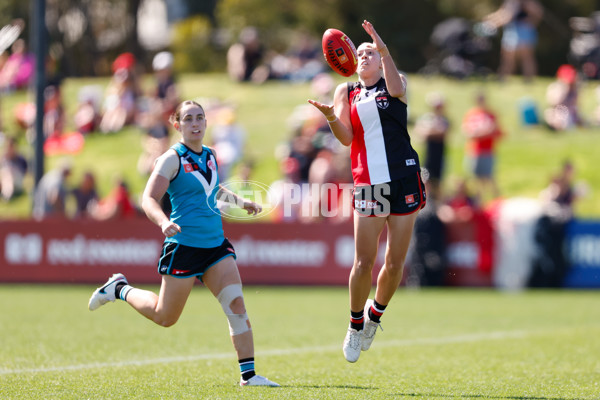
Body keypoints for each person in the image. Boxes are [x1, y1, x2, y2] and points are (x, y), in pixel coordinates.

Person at [87, 100, 279, 387]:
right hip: (184, 246)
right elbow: (148, 198)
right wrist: (164, 222)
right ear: (176, 125)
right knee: (165, 317)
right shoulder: (171, 158)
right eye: (188, 119)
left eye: (200, 117)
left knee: (237, 305)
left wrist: (241, 202)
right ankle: (120, 288)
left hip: (215, 245)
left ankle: (249, 376)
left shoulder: (212, 155)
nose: (196, 123)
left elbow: (214, 191)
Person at [308, 20, 426, 363]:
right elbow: (346, 138)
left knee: (394, 263)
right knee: (363, 263)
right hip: (368, 183)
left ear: (381, 58)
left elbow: (397, 87)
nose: (363, 55)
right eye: (359, 52)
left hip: (404, 179)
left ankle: (375, 316)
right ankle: (355, 322)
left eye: (369, 52)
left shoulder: (395, 83)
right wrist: (331, 117)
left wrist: (382, 45)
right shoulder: (346, 92)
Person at [484, 0, 543, 82]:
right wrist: (490, 19)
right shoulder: (510, 2)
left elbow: (538, 12)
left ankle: (528, 80)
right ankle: (503, 78)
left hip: (524, 30)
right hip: (512, 29)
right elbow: (503, 12)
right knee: (508, 58)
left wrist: (493, 23)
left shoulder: (527, 2)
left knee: (526, 58)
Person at [461, 92, 502, 203]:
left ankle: (498, 200)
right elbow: (466, 131)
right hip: (473, 150)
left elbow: (498, 132)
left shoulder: (491, 114)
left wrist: (484, 133)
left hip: (487, 151)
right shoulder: (471, 114)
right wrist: (482, 133)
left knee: (489, 177)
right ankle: (478, 202)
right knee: (475, 179)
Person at [414, 92, 450, 201]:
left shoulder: (445, 119)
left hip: (440, 154)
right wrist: (434, 131)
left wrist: (430, 131)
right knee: (426, 178)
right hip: (428, 154)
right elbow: (420, 133)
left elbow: (443, 133)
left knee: (438, 181)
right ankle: (427, 202)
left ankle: (438, 202)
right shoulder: (427, 118)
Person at [0, 136, 28, 201]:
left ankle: (7, 194)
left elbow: (24, 173)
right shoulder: (3, 159)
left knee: (9, 173)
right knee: (6, 173)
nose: (9, 149)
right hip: (4, 181)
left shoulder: (21, 159)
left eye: (11, 146)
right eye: (8, 146)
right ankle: (7, 193)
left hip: (17, 182)